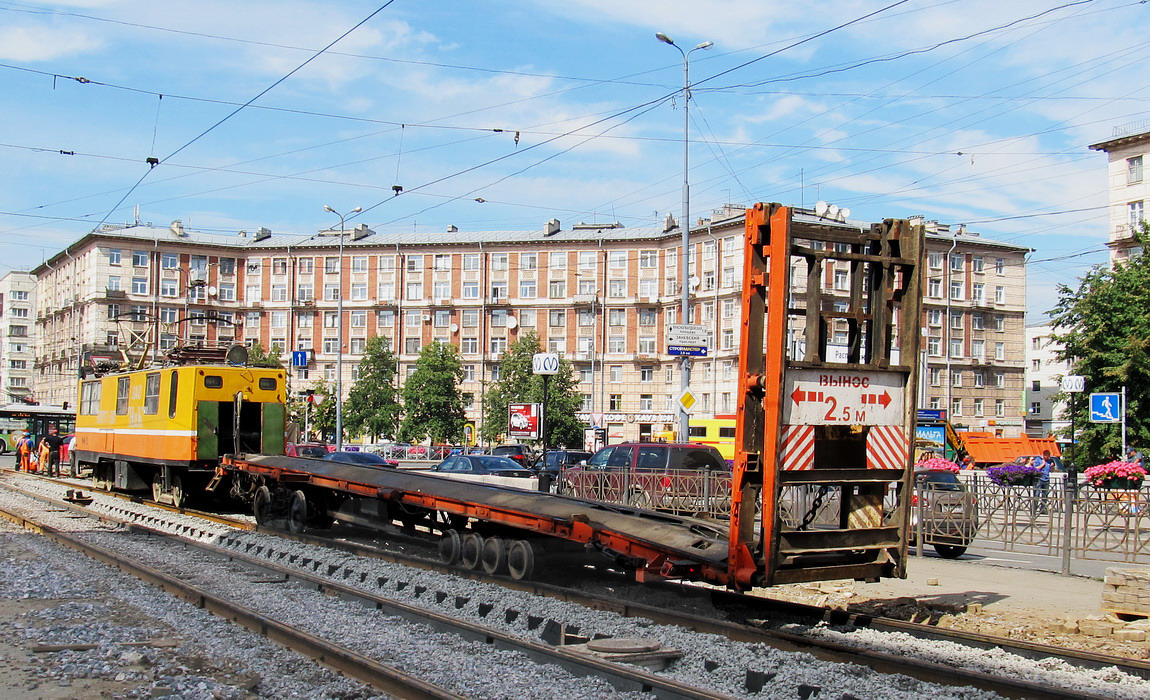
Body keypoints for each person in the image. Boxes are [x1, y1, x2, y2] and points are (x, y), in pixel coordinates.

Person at [1033, 450, 1052, 515]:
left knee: (1045, 495)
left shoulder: (1049, 461)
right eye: (1047, 457)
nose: (1048, 458)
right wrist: (1043, 464)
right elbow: (1035, 468)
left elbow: (1050, 470)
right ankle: (1034, 509)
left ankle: (1043, 509)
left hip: (1046, 479)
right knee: (1037, 495)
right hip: (1039, 479)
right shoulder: (1038, 459)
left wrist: (1052, 467)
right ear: (1044, 455)